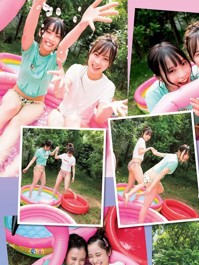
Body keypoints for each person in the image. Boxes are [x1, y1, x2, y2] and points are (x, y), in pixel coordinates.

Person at [0, 0, 119, 166]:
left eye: (57, 36)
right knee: (8, 109)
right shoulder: (29, 48)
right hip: (16, 93)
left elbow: (65, 45)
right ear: (42, 32)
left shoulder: (56, 60)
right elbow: (28, 32)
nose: (51, 38)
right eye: (49, 32)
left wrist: (82, 23)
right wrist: (37, 4)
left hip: (36, 103)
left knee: (16, 122)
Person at [47, 34, 128, 128]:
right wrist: (59, 82)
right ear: (90, 53)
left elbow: (99, 119)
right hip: (60, 113)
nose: (97, 62)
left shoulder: (108, 86)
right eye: (96, 54)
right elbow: (58, 94)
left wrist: (110, 108)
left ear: (109, 64)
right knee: (55, 117)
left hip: (80, 123)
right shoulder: (76, 69)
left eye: (105, 59)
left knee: (72, 119)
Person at [145, 42, 199, 139]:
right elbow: (168, 133)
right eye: (171, 71)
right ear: (160, 78)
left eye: (183, 63)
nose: (183, 74)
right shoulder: (154, 95)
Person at [124, 144, 190, 223]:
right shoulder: (174, 162)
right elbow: (160, 174)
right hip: (154, 178)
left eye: (188, 155)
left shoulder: (171, 155)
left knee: (161, 190)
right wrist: (150, 187)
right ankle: (139, 225)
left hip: (149, 173)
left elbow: (157, 154)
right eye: (185, 154)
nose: (187, 156)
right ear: (180, 152)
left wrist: (153, 150)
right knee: (146, 206)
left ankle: (140, 194)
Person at [123, 126, 157, 197]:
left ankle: (123, 200)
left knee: (130, 185)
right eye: (146, 134)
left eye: (149, 135)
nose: (148, 136)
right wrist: (149, 148)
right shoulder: (142, 140)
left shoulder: (140, 140)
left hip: (132, 164)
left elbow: (135, 152)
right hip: (135, 165)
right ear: (142, 133)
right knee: (143, 183)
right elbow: (140, 152)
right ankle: (136, 195)